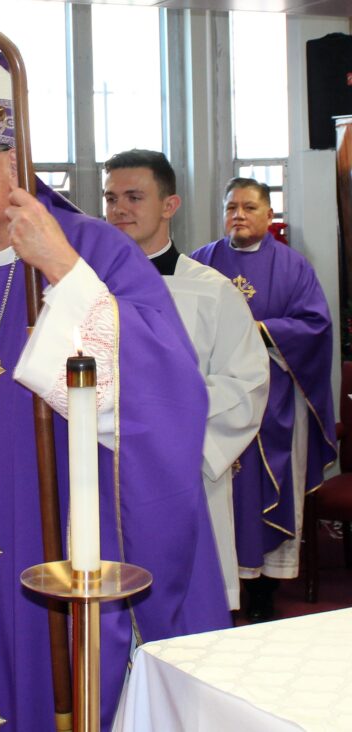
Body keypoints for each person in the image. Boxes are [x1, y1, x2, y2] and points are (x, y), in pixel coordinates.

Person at [0, 34, 230, 730]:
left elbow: (170, 398)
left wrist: (64, 276)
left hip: (52, 567)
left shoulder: (93, 250)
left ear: (16, 163)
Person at [103, 149, 270, 611]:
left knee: (184, 621)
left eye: (134, 197)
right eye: (111, 197)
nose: (119, 209)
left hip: (183, 477)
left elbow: (247, 385)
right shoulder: (84, 289)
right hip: (100, 480)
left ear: (169, 206)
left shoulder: (212, 290)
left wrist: (164, 421)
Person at [191, 178, 336, 621]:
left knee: (268, 492)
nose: (239, 214)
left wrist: (258, 331)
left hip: (275, 406)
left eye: (250, 207)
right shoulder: (201, 264)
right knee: (218, 493)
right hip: (216, 402)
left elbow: (315, 326)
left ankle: (264, 593)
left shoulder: (294, 268)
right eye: (231, 206)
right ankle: (214, 584)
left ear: (269, 216)